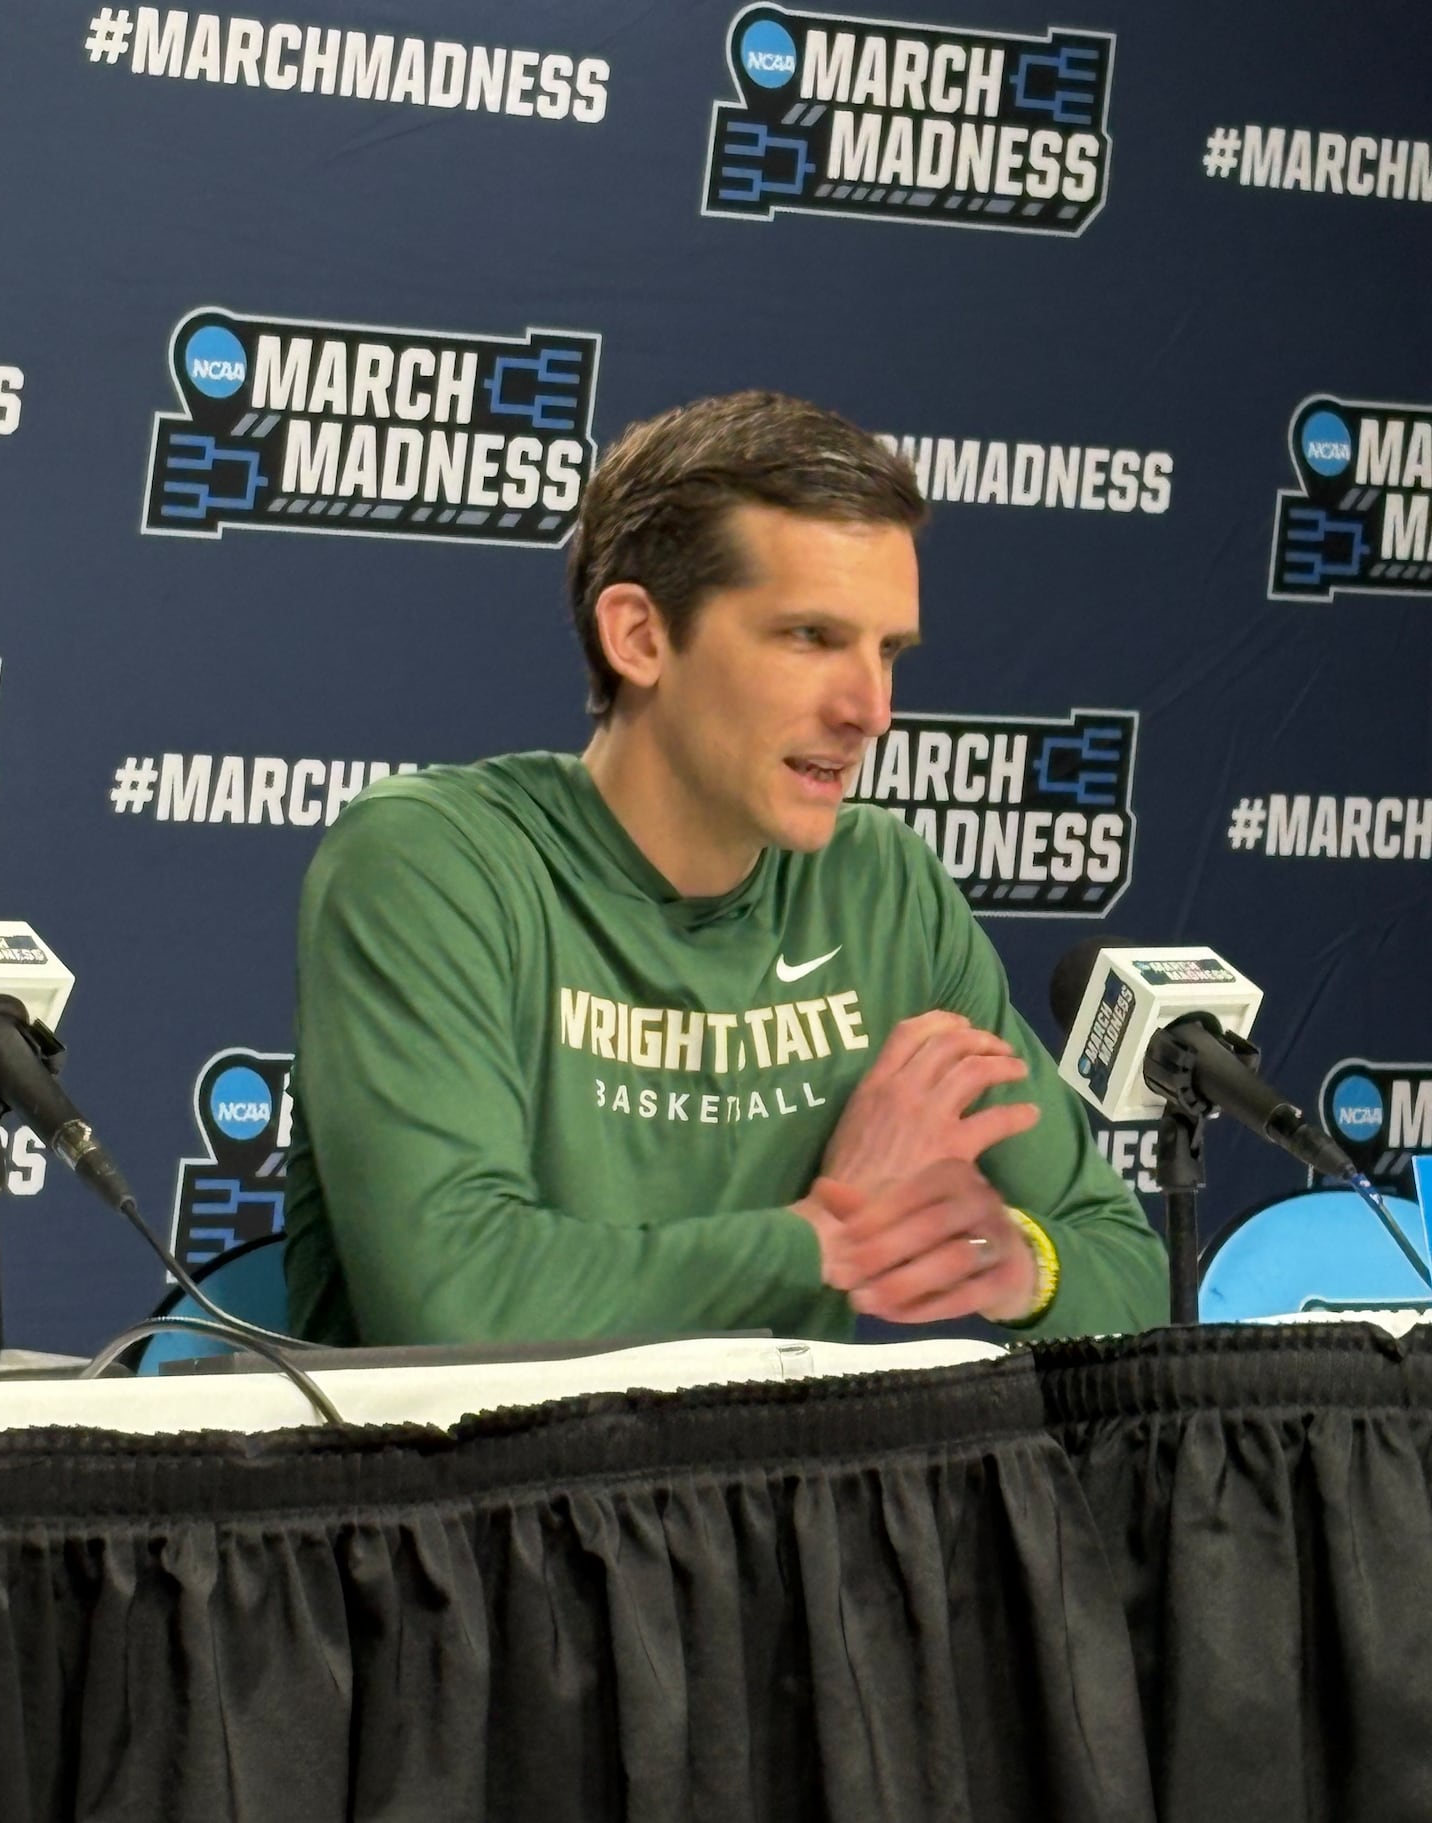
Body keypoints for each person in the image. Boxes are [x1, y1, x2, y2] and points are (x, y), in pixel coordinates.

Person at [283, 391, 1168, 1346]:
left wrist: (1008, 1260)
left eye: (888, 651)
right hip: (471, 1489)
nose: (871, 709)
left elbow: (1129, 1275)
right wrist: (829, 1241)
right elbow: (459, 1299)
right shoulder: (438, 864)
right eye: (811, 638)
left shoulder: (881, 891)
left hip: (761, 1492)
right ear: (640, 637)